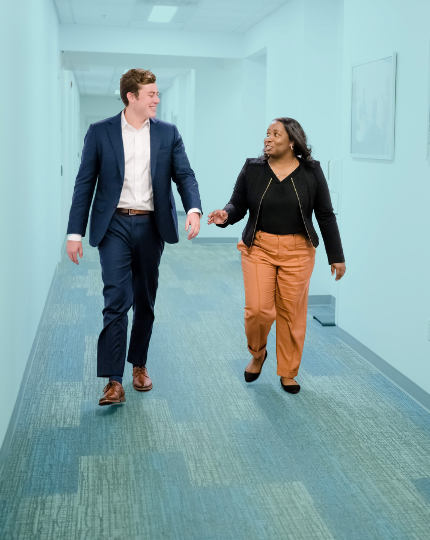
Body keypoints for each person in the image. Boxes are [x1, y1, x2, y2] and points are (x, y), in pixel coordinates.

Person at [66, 69, 202, 406]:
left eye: (157, 94)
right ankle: (113, 380)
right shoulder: (100, 132)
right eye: (151, 94)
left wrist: (194, 209)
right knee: (115, 300)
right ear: (131, 97)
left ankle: (138, 364)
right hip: (112, 225)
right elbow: (85, 184)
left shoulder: (168, 134)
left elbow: (184, 175)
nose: (157, 99)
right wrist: (74, 232)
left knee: (145, 298)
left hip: (150, 226)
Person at [208, 117, 345, 394]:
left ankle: (288, 372)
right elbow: (237, 204)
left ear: (293, 141)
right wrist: (225, 215)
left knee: (291, 314)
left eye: (275, 134)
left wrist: (336, 255)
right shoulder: (253, 168)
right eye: (266, 134)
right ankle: (258, 353)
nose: (267, 138)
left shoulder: (311, 171)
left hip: (298, 251)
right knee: (258, 310)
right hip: (259, 247)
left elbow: (325, 214)